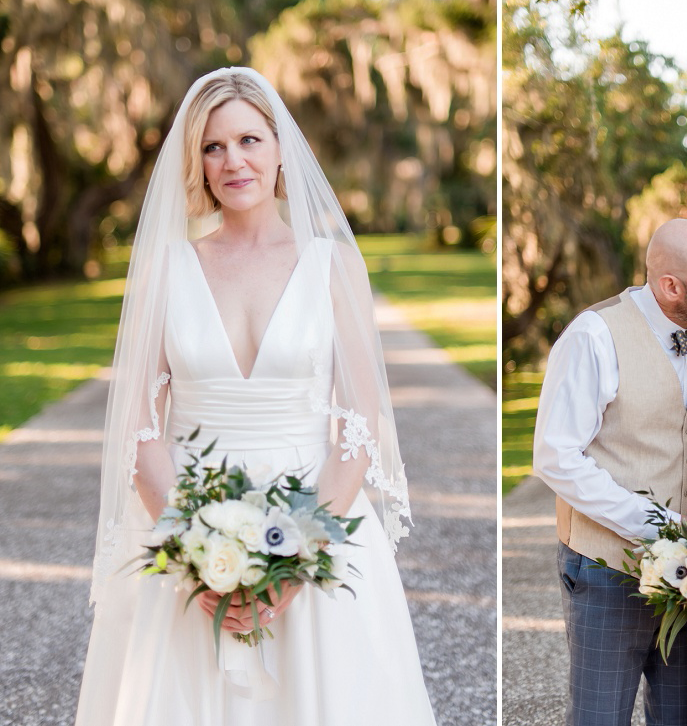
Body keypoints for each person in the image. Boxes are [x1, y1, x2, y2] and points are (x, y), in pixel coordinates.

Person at [75, 68, 437, 725]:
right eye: (213, 147)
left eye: (248, 139)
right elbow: (139, 428)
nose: (233, 160)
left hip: (316, 522)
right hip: (187, 524)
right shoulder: (167, 267)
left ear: (279, 148)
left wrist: (298, 556)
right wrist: (192, 545)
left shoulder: (332, 265)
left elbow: (359, 425)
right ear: (197, 162)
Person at [533, 218, 687, 726]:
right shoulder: (595, 335)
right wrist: (654, 526)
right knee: (600, 716)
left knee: (683, 717)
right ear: (672, 286)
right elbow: (555, 455)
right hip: (606, 571)